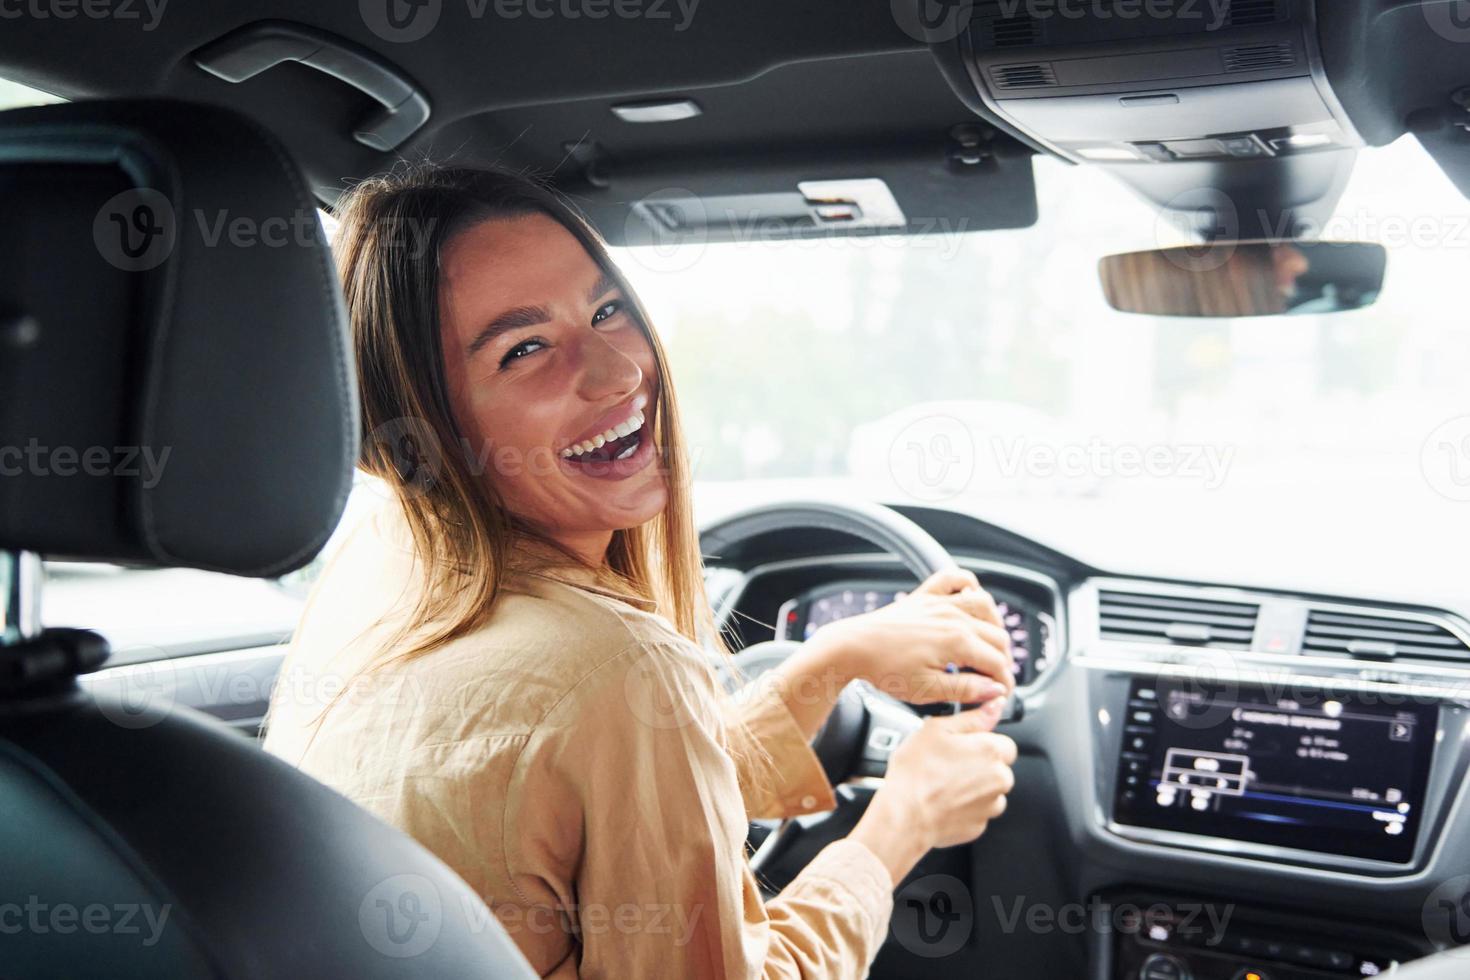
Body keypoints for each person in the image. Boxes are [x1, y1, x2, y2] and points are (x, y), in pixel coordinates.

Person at [263, 164, 1017, 978]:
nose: (619, 371)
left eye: (607, 309)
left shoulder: (376, 567)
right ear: (424, 432)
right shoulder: (621, 666)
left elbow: (582, 794)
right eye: (525, 349)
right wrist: (903, 822)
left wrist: (832, 663)